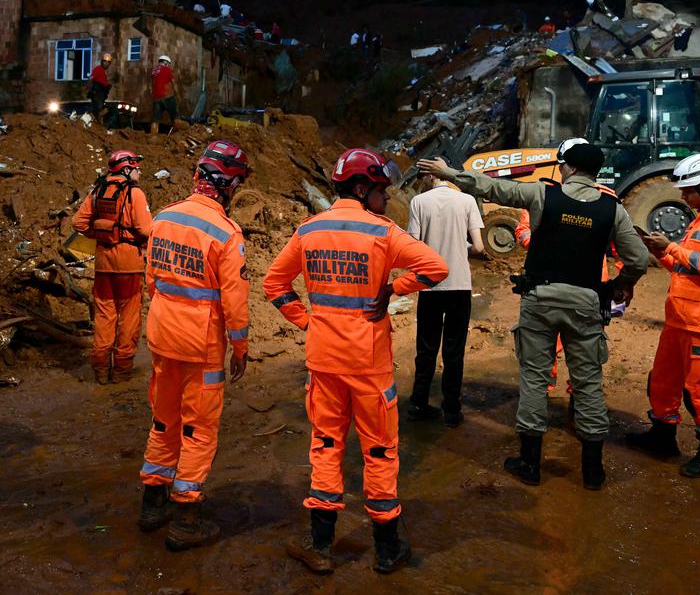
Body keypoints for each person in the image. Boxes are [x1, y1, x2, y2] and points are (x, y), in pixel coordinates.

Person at [418, 143, 648, 490]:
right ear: (594, 172)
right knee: (587, 383)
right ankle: (592, 471)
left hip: (540, 300)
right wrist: (621, 284)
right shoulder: (611, 209)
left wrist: (449, 173)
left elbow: (492, 186)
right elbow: (639, 258)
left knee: (535, 379)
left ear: (567, 168)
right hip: (586, 303)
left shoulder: (544, 195)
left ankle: (529, 463)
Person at [265, 148, 448, 575]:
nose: (386, 199)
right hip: (369, 362)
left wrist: (306, 321)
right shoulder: (382, 232)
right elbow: (435, 267)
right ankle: (387, 549)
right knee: (379, 451)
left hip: (324, 358)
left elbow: (274, 283)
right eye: (382, 191)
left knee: (326, 446)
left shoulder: (309, 230)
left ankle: (321, 544)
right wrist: (395, 289)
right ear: (364, 190)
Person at [136, 141, 251, 552]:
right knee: (198, 428)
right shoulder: (225, 232)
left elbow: (151, 280)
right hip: (200, 343)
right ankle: (185, 517)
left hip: (162, 335)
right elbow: (235, 302)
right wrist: (240, 346)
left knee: (163, 419)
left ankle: (153, 501)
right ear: (228, 184)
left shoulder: (163, 218)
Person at [627, 153, 700, 478]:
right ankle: (662, 437)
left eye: (688, 190)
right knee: (663, 382)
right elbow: (685, 265)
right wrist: (660, 252)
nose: (682, 196)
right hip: (681, 318)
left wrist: (670, 246)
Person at [514, 139, 626, 405]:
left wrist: (620, 280)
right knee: (547, 349)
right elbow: (523, 231)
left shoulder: (605, 202)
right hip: (554, 282)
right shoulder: (546, 197)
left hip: (586, 287)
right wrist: (544, 238)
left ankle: (576, 404)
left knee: (584, 354)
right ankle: (543, 396)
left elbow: (620, 246)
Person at [405, 175, 484, 426]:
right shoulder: (467, 200)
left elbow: (413, 246)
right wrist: (462, 247)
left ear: (430, 177)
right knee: (454, 350)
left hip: (429, 285)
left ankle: (418, 403)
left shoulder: (418, 201)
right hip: (459, 285)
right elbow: (480, 248)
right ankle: (451, 409)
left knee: (426, 349)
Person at [72, 150, 154, 383]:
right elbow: (146, 230)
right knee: (128, 318)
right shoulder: (134, 194)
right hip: (128, 266)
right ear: (126, 169)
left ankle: (100, 369)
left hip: (103, 265)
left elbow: (78, 223)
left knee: (105, 316)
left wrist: (100, 235)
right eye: (136, 166)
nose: (139, 170)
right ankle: (121, 370)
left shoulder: (97, 190)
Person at [150, 54, 179, 132]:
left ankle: (153, 137)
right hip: (167, 97)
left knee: (155, 120)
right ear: (166, 63)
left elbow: (152, 85)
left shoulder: (153, 71)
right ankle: (178, 135)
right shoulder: (167, 70)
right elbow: (173, 83)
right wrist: (177, 94)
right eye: (168, 64)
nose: (168, 65)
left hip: (156, 99)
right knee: (175, 117)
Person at [89, 52, 113, 122]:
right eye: (104, 61)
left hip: (102, 95)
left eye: (108, 62)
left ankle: (99, 124)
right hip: (97, 94)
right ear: (102, 62)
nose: (106, 63)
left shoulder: (103, 72)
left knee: (106, 110)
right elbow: (90, 78)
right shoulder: (98, 69)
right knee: (99, 110)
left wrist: (107, 86)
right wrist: (90, 89)